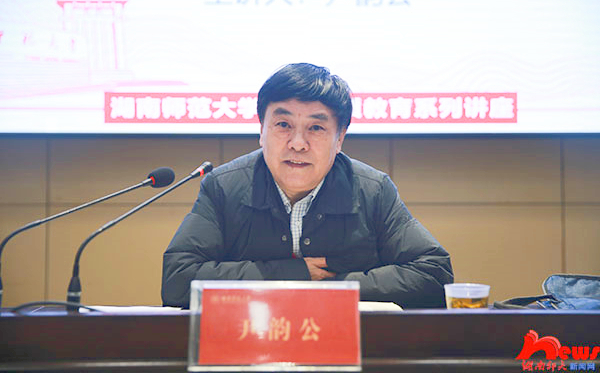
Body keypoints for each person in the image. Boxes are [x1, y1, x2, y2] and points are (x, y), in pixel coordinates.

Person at [161, 63, 453, 308]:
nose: (298, 144)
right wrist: (294, 274)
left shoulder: (372, 190)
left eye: (316, 128)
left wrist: (332, 288)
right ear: (261, 131)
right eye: (283, 125)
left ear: (339, 139)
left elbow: (434, 273)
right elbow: (177, 280)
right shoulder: (224, 187)